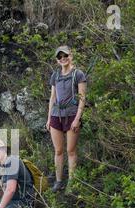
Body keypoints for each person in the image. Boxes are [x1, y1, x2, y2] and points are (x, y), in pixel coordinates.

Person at [46, 45, 87, 192]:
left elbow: (82, 98)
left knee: (71, 150)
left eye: (65, 56)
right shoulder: (55, 76)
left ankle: (71, 183)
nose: (63, 58)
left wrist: (77, 119)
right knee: (58, 151)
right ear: (57, 60)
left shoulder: (78, 74)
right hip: (56, 116)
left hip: (71, 115)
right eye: (59, 57)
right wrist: (49, 118)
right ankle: (58, 182)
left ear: (71, 55)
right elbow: (52, 97)